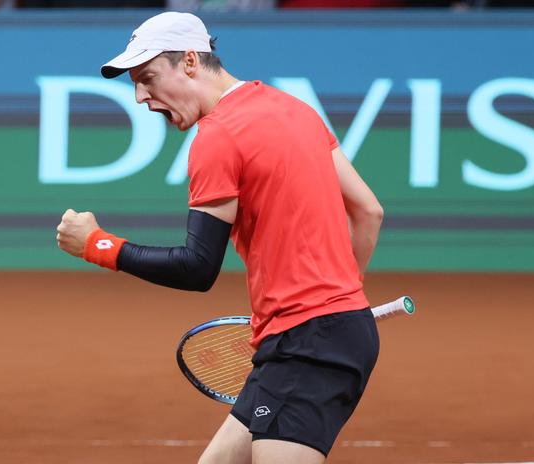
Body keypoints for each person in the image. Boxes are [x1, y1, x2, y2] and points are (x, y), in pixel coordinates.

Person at [56, 11, 383, 464]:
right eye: (134, 83)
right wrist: (345, 299)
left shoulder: (218, 136)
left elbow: (197, 267)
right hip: (325, 332)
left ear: (190, 61)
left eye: (148, 78)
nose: (140, 97)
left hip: (307, 344)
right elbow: (368, 211)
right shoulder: (295, 109)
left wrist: (98, 245)